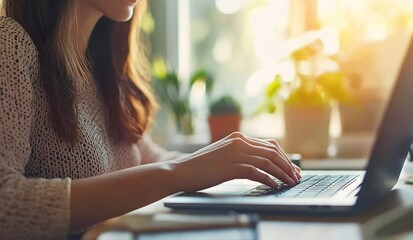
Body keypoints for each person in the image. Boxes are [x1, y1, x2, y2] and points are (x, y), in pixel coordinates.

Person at [0, 0, 301, 239]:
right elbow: (6, 205)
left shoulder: (100, 67)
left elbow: (151, 160)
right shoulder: (10, 44)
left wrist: (239, 163)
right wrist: (178, 171)